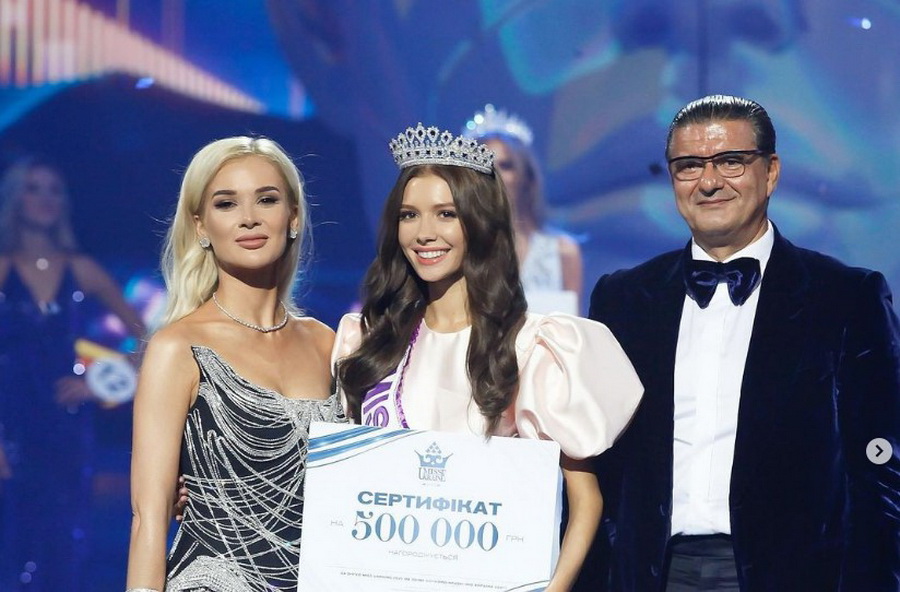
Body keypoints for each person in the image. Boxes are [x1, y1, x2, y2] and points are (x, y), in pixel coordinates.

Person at [585, 95, 900, 591]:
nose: (709, 182)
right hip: (651, 573)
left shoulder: (846, 296)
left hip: (794, 576)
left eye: (730, 161)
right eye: (689, 166)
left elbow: (882, 471)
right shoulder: (622, 299)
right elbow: (596, 460)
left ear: (770, 172)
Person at [333, 124, 643, 592]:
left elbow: (586, 501)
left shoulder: (533, 345)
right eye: (409, 215)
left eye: (446, 214)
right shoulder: (366, 341)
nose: (424, 233)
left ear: (479, 222)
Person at [126, 136, 345, 592]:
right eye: (226, 204)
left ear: (293, 217)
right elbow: (149, 516)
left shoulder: (327, 343)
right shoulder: (178, 347)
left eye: (267, 199)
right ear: (201, 227)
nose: (249, 218)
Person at [0, 156, 145, 590]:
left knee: (64, 539)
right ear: (15, 198)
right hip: (10, 420)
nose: (45, 198)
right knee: (14, 538)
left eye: (54, 189)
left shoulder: (81, 268)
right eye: (33, 188)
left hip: (65, 424)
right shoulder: (3, 267)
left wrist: (95, 384)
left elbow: (149, 340)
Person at [464, 104, 583, 314]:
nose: (494, 174)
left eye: (506, 165)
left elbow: (575, 326)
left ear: (526, 177)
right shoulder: (458, 248)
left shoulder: (563, 252)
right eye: (484, 164)